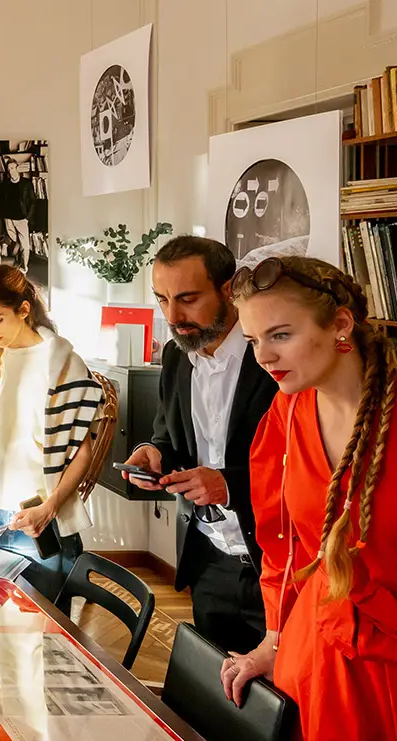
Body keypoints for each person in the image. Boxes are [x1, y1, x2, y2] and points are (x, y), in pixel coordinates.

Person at [224, 256, 397, 741]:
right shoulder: (285, 416)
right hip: (323, 652)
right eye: (253, 339)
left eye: (280, 335)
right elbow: (282, 549)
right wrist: (272, 641)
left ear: (339, 325)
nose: (263, 356)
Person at [122, 236, 277, 654]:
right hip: (208, 558)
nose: (173, 316)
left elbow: (300, 465)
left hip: (274, 563)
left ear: (229, 289)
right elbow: (168, 438)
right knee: (215, 684)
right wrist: (154, 454)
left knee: (283, 691)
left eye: (187, 299)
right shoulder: (176, 357)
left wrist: (228, 485)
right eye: (162, 300)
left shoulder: (272, 357)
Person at [0, 265, 99, 598]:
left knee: (45, 626)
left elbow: (83, 453)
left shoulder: (63, 364)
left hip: (40, 521)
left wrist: (50, 507)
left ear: (23, 309)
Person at [0, 157, 36, 273]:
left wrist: (27, 218)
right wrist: (0, 213)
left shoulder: (26, 183)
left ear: (17, 168)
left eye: (12, 168)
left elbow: (32, 202)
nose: (10, 171)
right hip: (8, 218)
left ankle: (24, 268)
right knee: (13, 240)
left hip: (22, 218)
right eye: (8, 169)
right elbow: (1, 200)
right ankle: (14, 264)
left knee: (25, 245)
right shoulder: (5, 184)